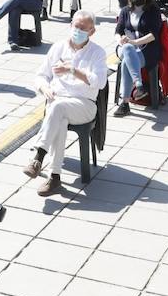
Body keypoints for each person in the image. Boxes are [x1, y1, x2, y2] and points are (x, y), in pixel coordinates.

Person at [22, 10, 106, 196]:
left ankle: (38, 156)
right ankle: (54, 177)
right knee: (58, 115)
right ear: (70, 25)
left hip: (84, 104)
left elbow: (100, 82)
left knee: (57, 109)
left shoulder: (97, 53)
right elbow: (40, 75)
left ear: (91, 32)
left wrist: (72, 70)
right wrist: (44, 88)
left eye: (83, 28)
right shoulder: (59, 47)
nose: (78, 30)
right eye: (76, 26)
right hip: (58, 101)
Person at [113, 0, 162, 117]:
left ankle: (125, 103)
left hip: (146, 50)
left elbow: (153, 35)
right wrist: (121, 40)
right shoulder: (125, 11)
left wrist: (134, 42)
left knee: (126, 63)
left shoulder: (153, 11)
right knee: (128, 49)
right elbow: (118, 31)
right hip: (125, 47)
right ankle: (138, 84)